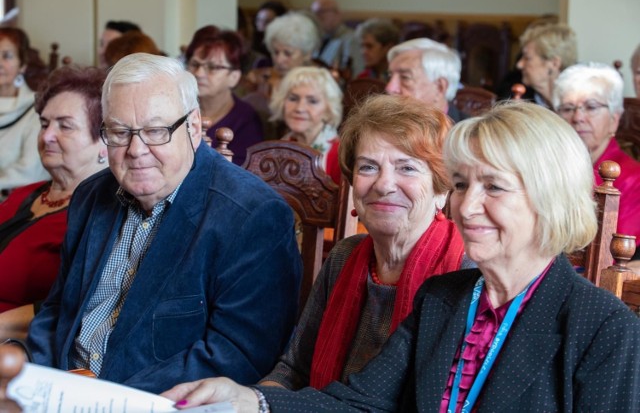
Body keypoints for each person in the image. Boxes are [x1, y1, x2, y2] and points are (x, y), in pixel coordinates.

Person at [162, 101, 640, 412]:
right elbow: (363, 402)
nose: (466, 206)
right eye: (460, 185)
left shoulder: (602, 327)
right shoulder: (446, 298)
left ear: (549, 199)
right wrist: (249, 401)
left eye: (493, 187)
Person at [23, 53, 302, 394]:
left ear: (194, 127)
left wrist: (105, 395)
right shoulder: (91, 196)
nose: (136, 150)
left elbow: (241, 353)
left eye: (156, 131)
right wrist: (38, 380)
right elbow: (58, 310)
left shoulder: (252, 215)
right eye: (119, 131)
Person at [260, 94, 466, 391]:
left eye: (407, 168)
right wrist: (254, 400)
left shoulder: (466, 271)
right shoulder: (344, 255)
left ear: (441, 189)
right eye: (368, 167)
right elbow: (293, 369)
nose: (383, 185)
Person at [0, 66, 108, 340]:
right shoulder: (24, 194)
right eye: (45, 123)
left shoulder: (101, 212)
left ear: (105, 140)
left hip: (19, 349)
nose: (47, 135)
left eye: (65, 126)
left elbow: (72, 307)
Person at [553, 62, 640, 264]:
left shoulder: (634, 180)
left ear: (614, 119)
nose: (578, 117)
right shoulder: (547, 168)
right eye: (567, 108)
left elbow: (613, 259)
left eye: (591, 107)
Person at [185, 27, 263, 165]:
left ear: (234, 77)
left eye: (213, 67)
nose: (199, 73)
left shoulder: (245, 119)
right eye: (195, 64)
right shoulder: (176, 109)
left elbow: (239, 175)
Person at [244, 11, 320, 139]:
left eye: (288, 53)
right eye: (275, 52)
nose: (279, 60)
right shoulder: (259, 78)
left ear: (307, 54)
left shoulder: (318, 84)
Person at [0, 27, 49, 202]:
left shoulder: (36, 109)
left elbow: (30, 170)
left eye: (7, 56)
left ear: (22, 65)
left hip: (17, 204)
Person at [269, 66, 342, 184]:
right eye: (293, 98)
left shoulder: (340, 155)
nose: (300, 108)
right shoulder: (279, 146)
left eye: (312, 101)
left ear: (328, 110)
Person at [385, 38, 468, 123]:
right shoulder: (382, 123)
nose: (389, 88)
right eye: (390, 76)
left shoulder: (467, 134)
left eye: (405, 77)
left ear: (439, 88)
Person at [516, 23, 577, 108]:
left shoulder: (578, 105)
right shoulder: (522, 98)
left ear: (554, 63)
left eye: (527, 58)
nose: (519, 65)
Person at [310, 0, 362, 77]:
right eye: (315, 13)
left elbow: (354, 73)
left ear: (337, 14)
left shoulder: (351, 39)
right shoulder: (316, 37)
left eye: (321, 12)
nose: (317, 17)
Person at [355, 18, 400, 82]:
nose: (363, 52)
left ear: (388, 47)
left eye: (369, 46)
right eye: (362, 46)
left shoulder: (401, 78)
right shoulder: (362, 78)